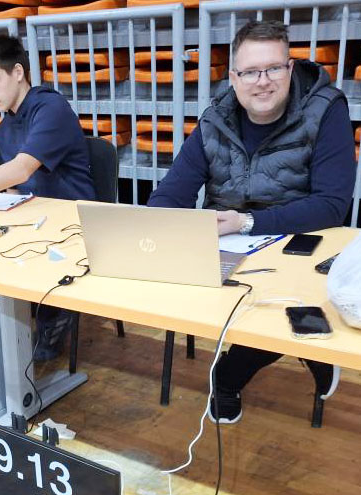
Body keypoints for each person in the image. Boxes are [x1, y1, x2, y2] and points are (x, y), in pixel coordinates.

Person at [147, 20, 355, 423]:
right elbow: (172, 192)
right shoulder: (215, 119)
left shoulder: (326, 108)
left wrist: (246, 222)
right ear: (233, 77)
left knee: (276, 300)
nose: (263, 81)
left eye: (273, 68)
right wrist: (156, 224)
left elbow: (332, 205)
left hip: (299, 240)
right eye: (250, 72)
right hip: (227, 242)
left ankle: (227, 376)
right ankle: (311, 339)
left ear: (290, 68)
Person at [0, 34, 96, 361]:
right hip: (34, 214)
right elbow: (14, 186)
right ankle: (15, 320)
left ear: (18, 73)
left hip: (70, 220)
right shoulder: (8, 122)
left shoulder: (50, 108)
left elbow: (21, 170)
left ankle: (51, 319)